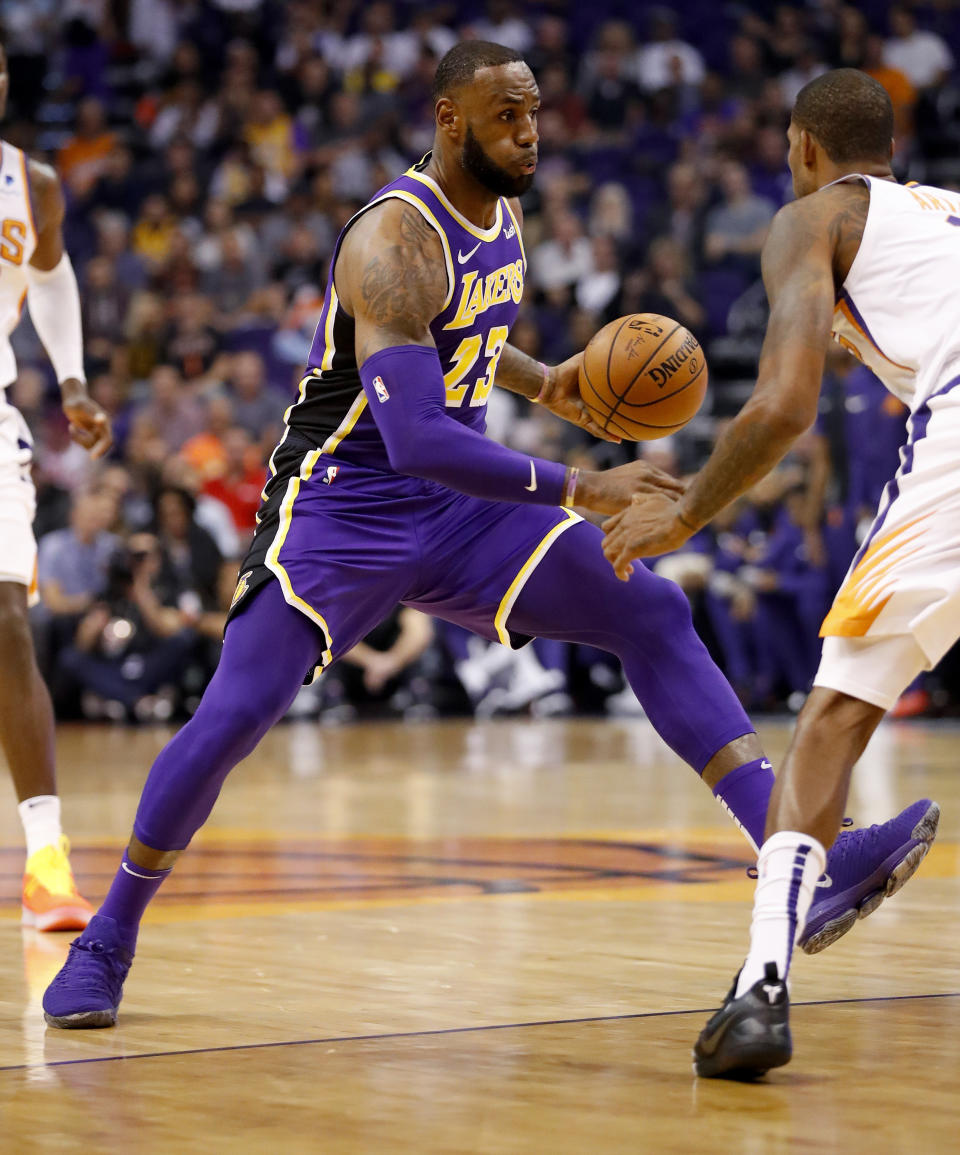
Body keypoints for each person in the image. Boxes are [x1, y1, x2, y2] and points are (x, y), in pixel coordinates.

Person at [44, 45, 931, 1029]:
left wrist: (544, 380)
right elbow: (417, 436)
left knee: (649, 606)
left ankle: (798, 856)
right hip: (341, 508)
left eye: (536, 112)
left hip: (461, 512)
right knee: (232, 719)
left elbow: (460, 334)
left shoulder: (499, 216)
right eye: (507, 115)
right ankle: (109, 934)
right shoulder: (391, 237)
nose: (530, 132)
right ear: (450, 119)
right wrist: (584, 485)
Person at [600, 70, 946, 1078]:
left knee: (835, 715)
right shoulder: (944, 215)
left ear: (801, 147)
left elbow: (785, 404)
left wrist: (687, 506)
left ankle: (761, 988)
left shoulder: (811, 218)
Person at [0, 43, 113, 930]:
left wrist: (72, 380)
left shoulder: (30, 182)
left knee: (7, 617)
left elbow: (50, 276)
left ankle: (45, 858)